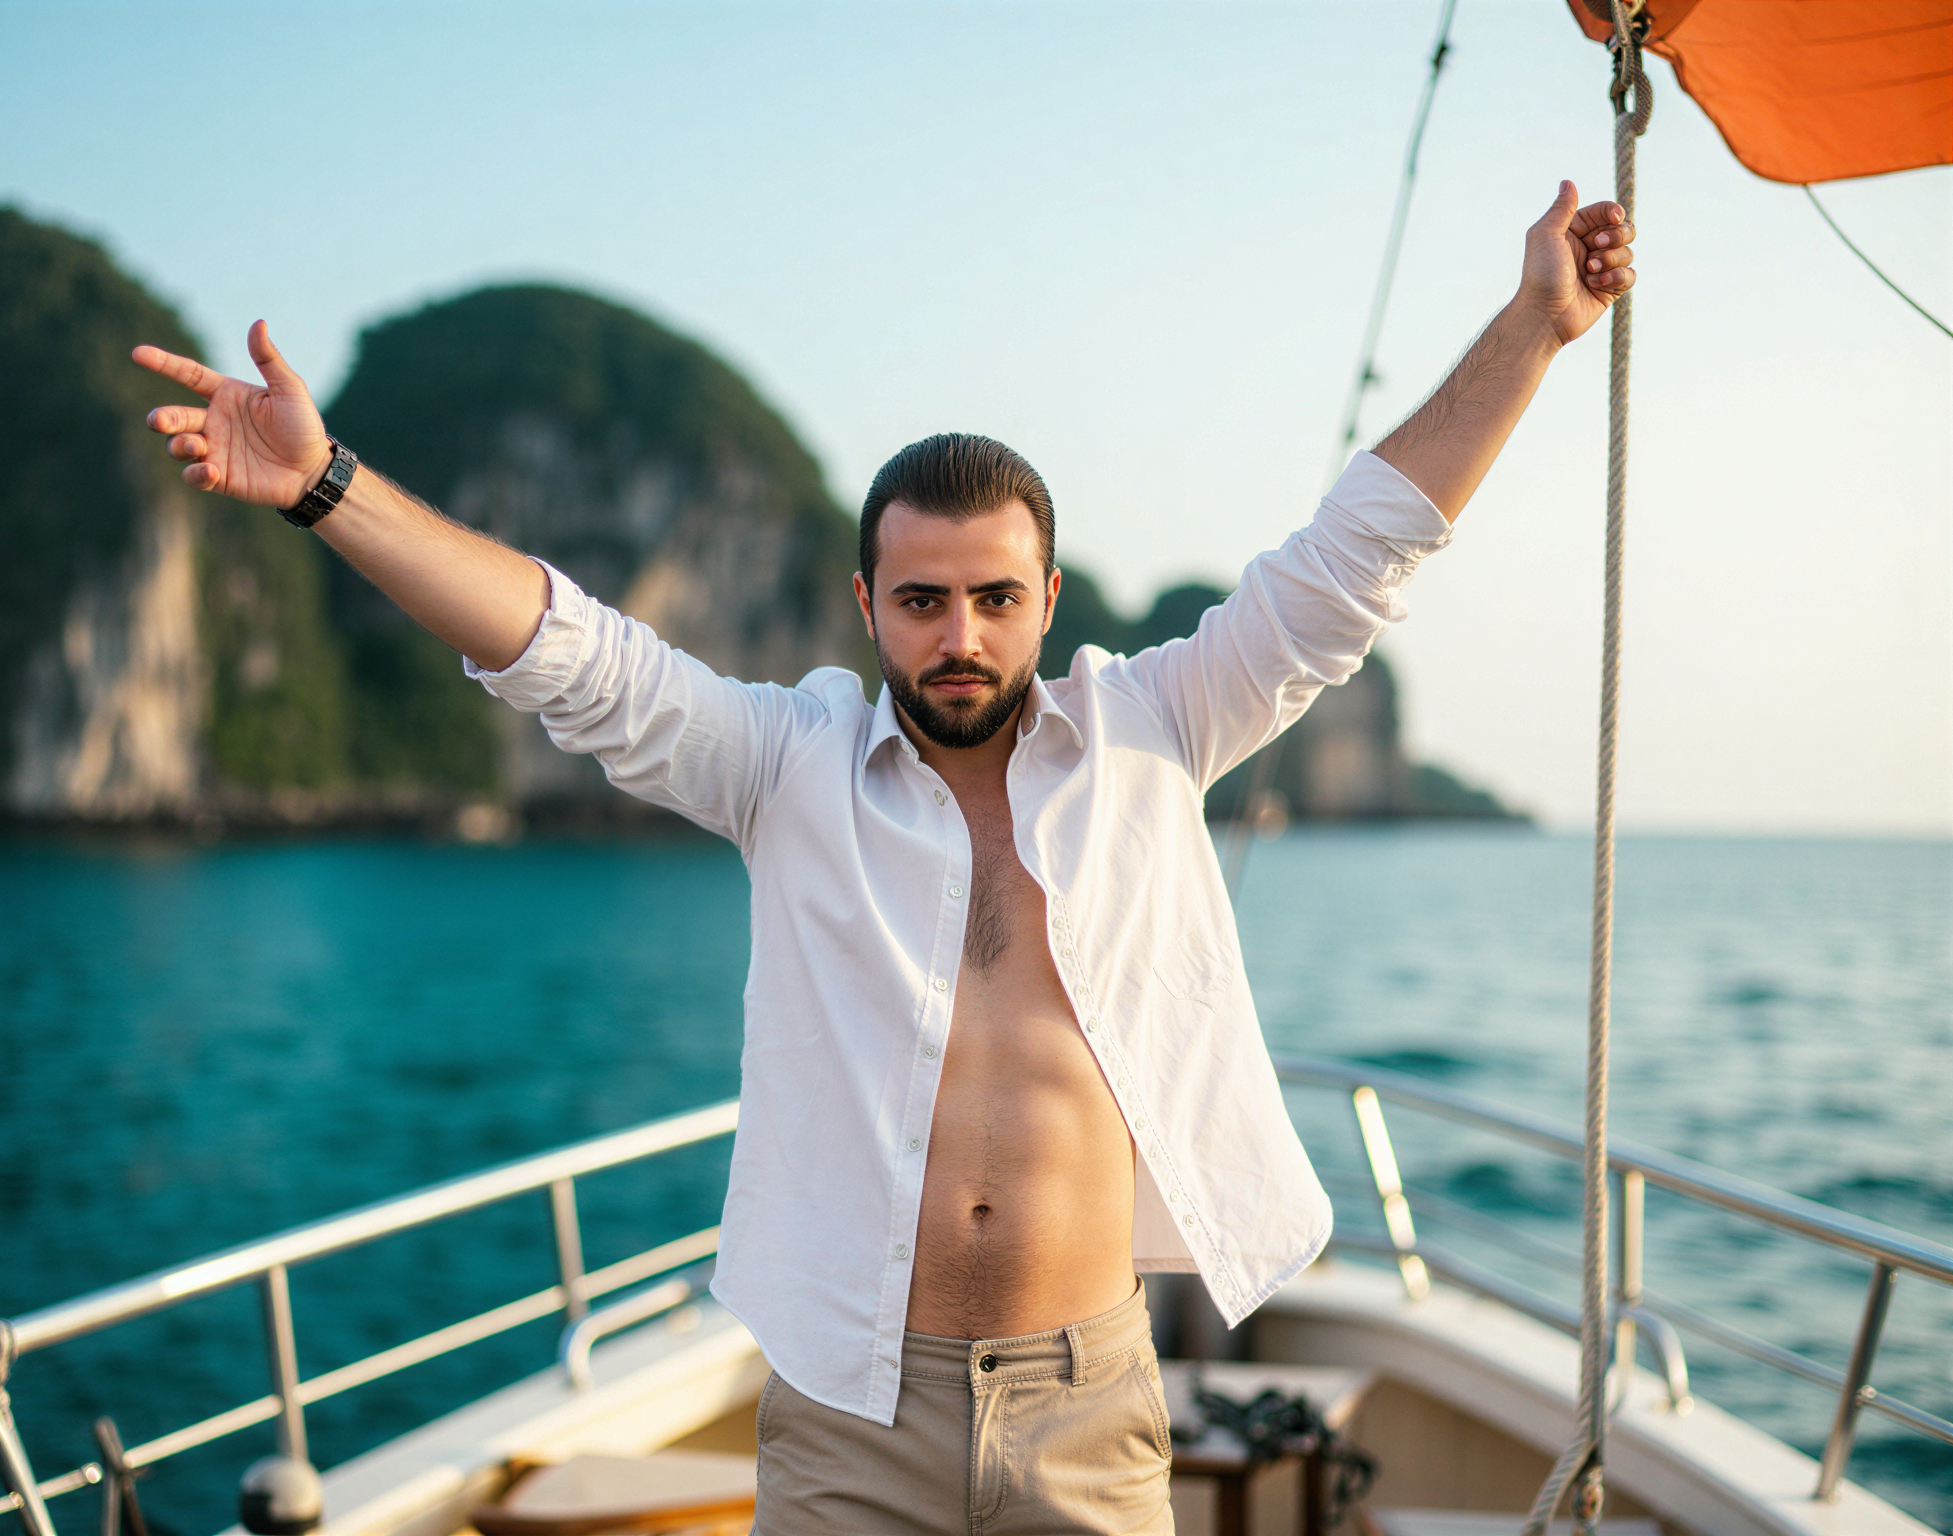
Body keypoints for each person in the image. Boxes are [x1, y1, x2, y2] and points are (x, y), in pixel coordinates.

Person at [135, 182, 1636, 1536]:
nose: (960, 636)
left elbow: (1352, 559)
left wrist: (1534, 328)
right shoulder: (785, 767)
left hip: (1089, 1406)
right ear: (867, 602)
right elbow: (568, 654)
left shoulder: (1161, 727)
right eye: (923, 600)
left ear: (1049, 596)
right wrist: (331, 489)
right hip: (851, 1414)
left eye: (994, 597)